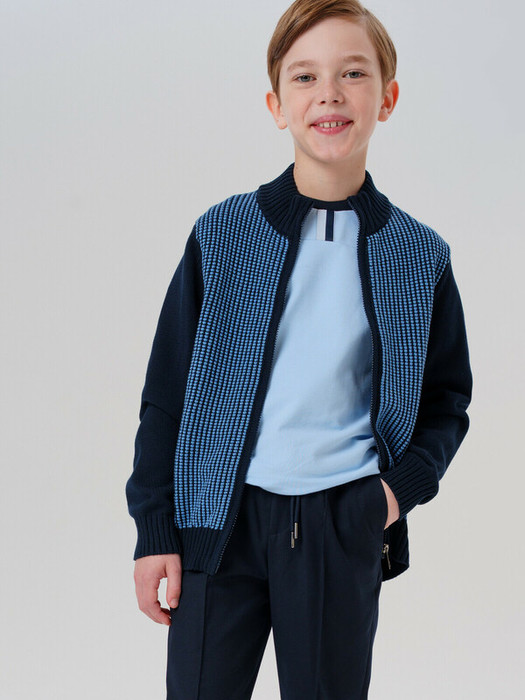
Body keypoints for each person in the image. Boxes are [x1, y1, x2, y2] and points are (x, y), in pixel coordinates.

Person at [125, 0, 473, 697]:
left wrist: (388, 498)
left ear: (387, 98)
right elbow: (167, 393)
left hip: (340, 524)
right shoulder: (224, 235)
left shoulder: (418, 256)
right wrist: (154, 528)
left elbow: (446, 401)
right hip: (216, 521)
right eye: (305, 77)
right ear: (277, 105)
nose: (329, 94)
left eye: (353, 73)